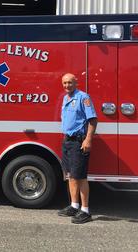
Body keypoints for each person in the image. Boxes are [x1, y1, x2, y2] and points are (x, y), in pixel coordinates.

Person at [57, 73, 97, 224]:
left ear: (76, 82)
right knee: (71, 175)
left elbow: (93, 120)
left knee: (80, 177)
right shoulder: (65, 98)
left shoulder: (83, 97)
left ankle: (85, 211)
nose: (67, 85)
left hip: (79, 142)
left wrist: (88, 139)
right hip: (67, 141)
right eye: (65, 83)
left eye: (70, 82)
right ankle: (74, 206)